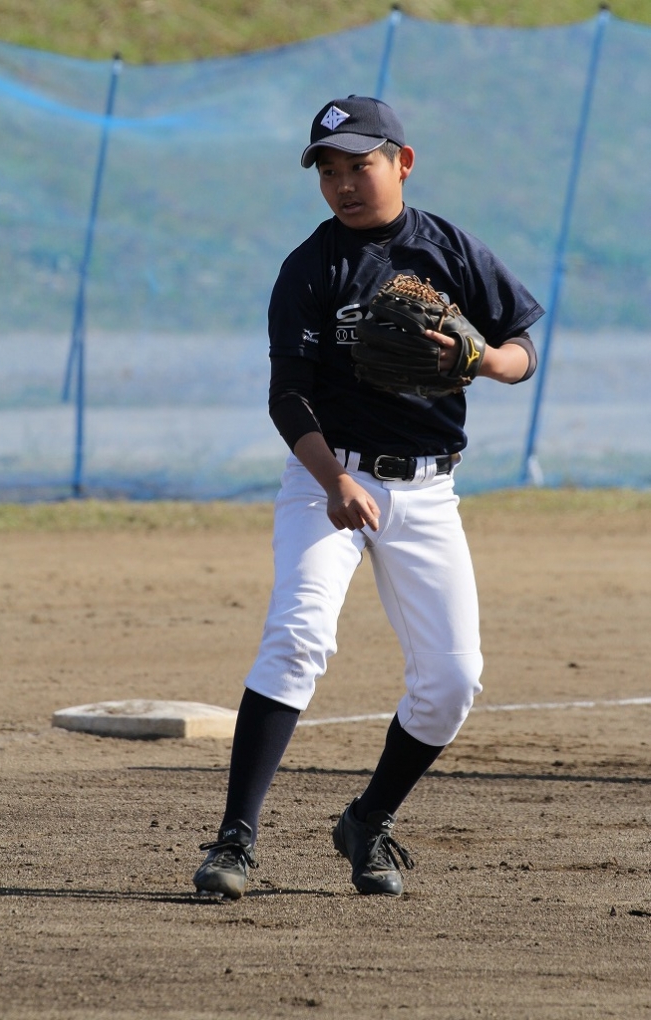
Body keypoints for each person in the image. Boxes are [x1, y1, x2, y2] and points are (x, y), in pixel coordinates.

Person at [193, 95, 544, 899]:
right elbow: (288, 397)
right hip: (329, 477)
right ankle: (235, 841)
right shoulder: (311, 267)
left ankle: (367, 821)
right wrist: (335, 480)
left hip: (429, 488)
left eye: (360, 165)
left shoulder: (450, 249)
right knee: (298, 635)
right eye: (328, 171)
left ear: (402, 162)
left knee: (453, 682)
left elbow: (522, 347)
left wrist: (484, 359)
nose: (344, 184)